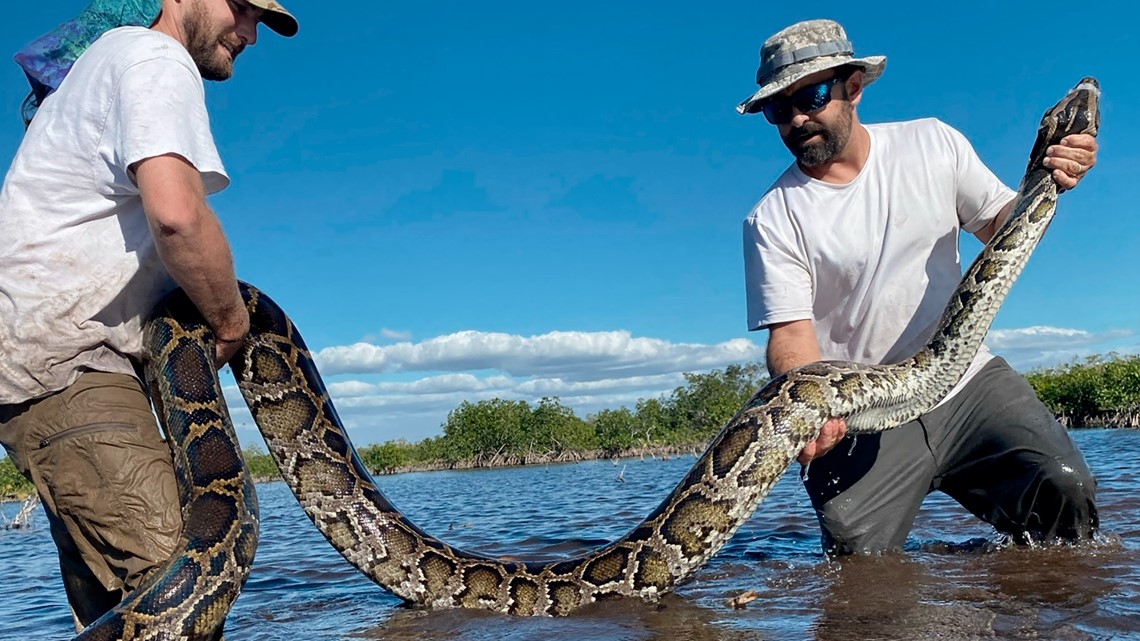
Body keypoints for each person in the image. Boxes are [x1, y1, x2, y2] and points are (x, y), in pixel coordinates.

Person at [737, 19, 1099, 556]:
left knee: (1065, 492)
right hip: (860, 412)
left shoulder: (932, 141)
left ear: (852, 87)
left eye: (811, 96)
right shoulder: (770, 218)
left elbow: (1004, 227)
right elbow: (791, 336)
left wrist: (1052, 177)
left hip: (965, 382)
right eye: (777, 109)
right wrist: (812, 408)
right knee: (856, 567)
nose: (795, 118)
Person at [0, 0, 297, 630]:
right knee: (179, 580)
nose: (248, 32)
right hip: (73, 368)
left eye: (261, 23)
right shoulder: (154, 56)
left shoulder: (100, 67)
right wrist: (230, 324)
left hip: (54, 368)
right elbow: (177, 215)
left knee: (119, 610)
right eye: (242, 8)